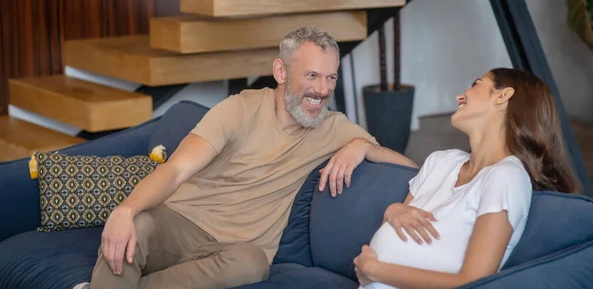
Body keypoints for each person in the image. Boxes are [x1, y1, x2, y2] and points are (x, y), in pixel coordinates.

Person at [78, 27, 417, 289]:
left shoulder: (335, 128)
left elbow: (416, 170)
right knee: (137, 225)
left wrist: (363, 146)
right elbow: (176, 169)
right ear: (281, 72)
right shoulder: (239, 109)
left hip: (237, 251)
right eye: (311, 75)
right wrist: (126, 210)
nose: (323, 90)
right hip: (183, 223)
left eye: (330, 78)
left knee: (253, 264)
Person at [353, 67, 580, 289]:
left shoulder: (506, 176)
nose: (460, 96)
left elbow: (473, 281)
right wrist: (393, 209)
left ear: (503, 96)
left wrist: (375, 270)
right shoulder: (440, 161)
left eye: (476, 84)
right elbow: (394, 228)